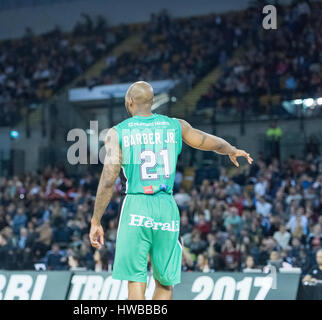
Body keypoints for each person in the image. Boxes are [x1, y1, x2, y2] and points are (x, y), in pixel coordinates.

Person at [89, 81, 253, 300]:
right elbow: (209, 142)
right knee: (165, 282)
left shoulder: (118, 132)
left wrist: (95, 220)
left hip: (136, 205)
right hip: (166, 207)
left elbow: (109, 179)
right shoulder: (176, 125)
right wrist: (232, 149)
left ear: (129, 102)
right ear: (152, 102)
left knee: (136, 280)